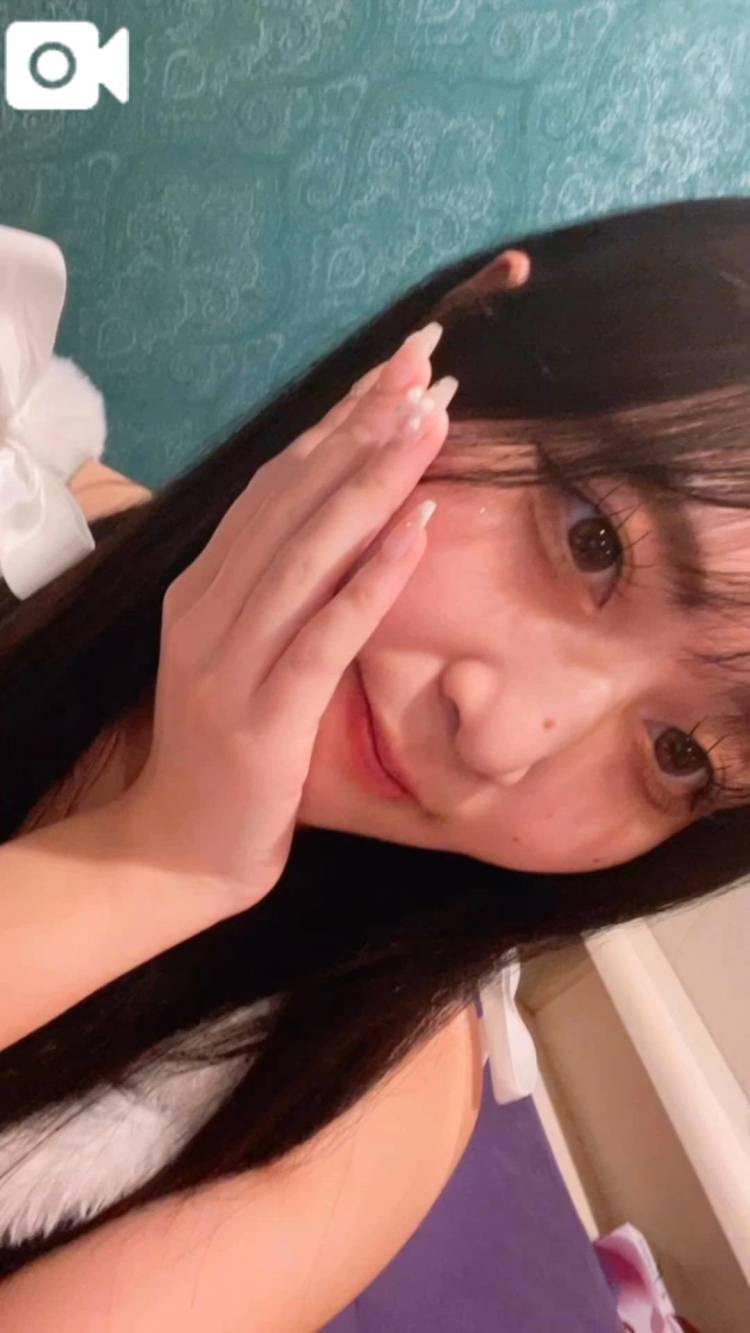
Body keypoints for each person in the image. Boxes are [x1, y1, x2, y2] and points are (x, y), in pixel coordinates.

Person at [1, 197, 749, 1328]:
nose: (504, 738)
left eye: (681, 754)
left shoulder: (349, 1131)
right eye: (593, 540)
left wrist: (157, 862)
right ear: (463, 332)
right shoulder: (34, 492)